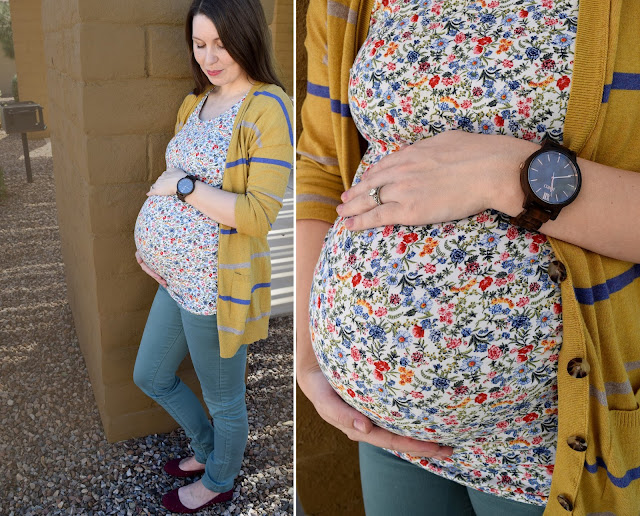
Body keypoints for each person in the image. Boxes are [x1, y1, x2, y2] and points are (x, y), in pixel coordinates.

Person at [296, 0, 640, 514]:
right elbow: (320, 169)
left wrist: (508, 177)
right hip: (387, 434)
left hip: (554, 444)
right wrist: (308, 359)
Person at [132, 0, 292, 512]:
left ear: (246, 37)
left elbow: (256, 214)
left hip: (213, 288)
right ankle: (207, 450)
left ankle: (220, 479)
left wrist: (183, 186)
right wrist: (152, 248)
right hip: (174, 279)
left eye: (221, 44)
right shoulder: (195, 102)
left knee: (225, 400)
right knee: (150, 376)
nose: (209, 57)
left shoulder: (268, 107)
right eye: (199, 44)